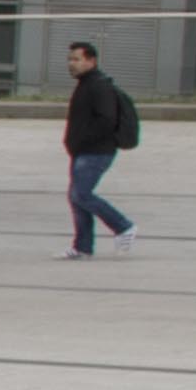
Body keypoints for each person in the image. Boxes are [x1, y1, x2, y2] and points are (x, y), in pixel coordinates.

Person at [64, 39, 140, 259]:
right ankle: (83, 247)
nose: (72, 64)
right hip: (83, 151)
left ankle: (123, 226)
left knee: (82, 194)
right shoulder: (87, 84)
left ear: (91, 61)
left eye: (77, 59)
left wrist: (84, 139)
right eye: (70, 59)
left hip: (96, 151)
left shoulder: (99, 86)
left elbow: (106, 120)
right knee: (76, 196)